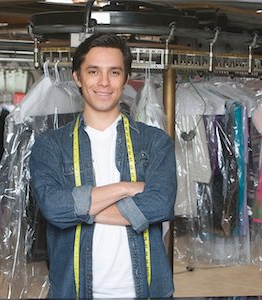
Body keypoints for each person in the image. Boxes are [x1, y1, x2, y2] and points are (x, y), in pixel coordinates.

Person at [29, 32, 177, 298]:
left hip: (146, 292)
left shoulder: (155, 142)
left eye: (115, 72)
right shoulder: (50, 145)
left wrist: (81, 210)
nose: (104, 83)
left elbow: (160, 204)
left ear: (126, 78)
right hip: (73, 292)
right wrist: (126, 188)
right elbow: (53, 207)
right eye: (94, 71)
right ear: (78, 77)